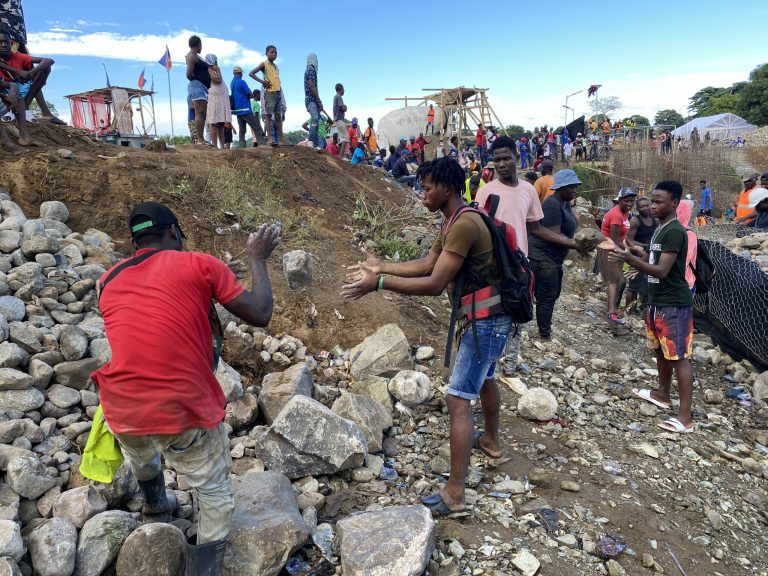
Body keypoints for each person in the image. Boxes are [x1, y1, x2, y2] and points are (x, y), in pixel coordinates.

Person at [93, 202, 281, 572]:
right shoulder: (199, 263)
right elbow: (260, 313)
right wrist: (257, 259)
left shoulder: (107, 280)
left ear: (136, 243)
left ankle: (156, 507)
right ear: (173, 233)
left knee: (141, 448)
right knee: (213, 492)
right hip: (181, 408)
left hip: (119, 406)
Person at [341, 157, 510, 517]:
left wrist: (380, 283)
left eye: (427, 187)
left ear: (447, 188)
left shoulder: (464, 224)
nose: (422, 194)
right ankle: (492, 441)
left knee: (458, 402)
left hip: (486, 322)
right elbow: (427, 263)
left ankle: (454, 495)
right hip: (487, 318)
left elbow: (433, 285)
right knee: (486, 379)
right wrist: (381, 265)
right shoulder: (453, 220)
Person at [474, 136, 576, 378]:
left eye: (506, 158)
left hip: (520, 264)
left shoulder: (528, 190)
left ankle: (509, 371)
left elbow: (537, 229)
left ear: (516, 158)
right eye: (496, 160)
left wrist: (573, 244)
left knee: (517, 315)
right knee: (490, 317)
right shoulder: (486, 192)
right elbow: (477, 229)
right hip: (492, 266)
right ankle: (487, 369)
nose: (501, 164)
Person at [609, 181, 696, 433]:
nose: (652, 206)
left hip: (674, 303)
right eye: (652, 201)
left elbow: (662, 269)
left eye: (659, 202)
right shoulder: (660, 229)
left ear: (674, 204)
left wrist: (628, 258)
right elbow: (653, 259)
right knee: (660, 350)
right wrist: (638, 257)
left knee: (679, 357)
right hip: (657, 301)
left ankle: (685, 416)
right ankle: (662, 394)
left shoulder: (674, 231)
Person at [527, 169, 584, 339]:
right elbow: (554, 235)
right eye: (571, 187)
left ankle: (544, 329)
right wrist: (576, 245)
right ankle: (544, 334)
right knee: (546, 296)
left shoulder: (565, 203)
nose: (574, 191)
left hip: (554, 257)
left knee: (552, 294)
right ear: (560, 188)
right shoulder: (552, 204)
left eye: (575, 187)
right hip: (542, 256)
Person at [599, 188, 637, 323]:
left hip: (617, 249)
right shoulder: (616, 214)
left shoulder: (625, 213)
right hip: (609, 248)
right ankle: (610, 312)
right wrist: (631, 251)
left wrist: (633, 247)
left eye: (632, 201)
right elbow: (615, 239)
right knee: (615, 280)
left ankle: (613, 308)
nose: (629, 203)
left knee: (618, 279)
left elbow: (623, 236)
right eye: (626, 200)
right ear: (619, 200)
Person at [624, 197, 658, 313]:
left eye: (647, 205)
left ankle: (643, 311)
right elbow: (629, 239)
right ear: (637, 209)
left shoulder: (655, 220)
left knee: (647, 285)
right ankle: (628, 310)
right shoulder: (635, 220)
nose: (645, 208)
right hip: (638, 256)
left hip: (651, 256)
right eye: (641, 206)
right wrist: (644, 246)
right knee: (633, 286)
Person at [249, 45, 284, 145]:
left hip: (277, 93)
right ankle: (269, 139)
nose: (274, 54)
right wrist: (262, 82)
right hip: (269, 93)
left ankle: (281, 140)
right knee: (268, 115)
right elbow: (251, 73)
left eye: (276, 53)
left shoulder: (276, 67)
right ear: (266, 53)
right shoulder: (264, 64)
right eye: (272, 52)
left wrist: (280, 91)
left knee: (278, 116)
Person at [230, 66, 264, 147]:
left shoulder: (232, 83)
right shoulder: (242, 82)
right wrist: (252, 95)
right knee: (256, 127)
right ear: (240, 73)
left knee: (242, 130)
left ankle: (242, 147)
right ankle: (262, 145)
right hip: (245, 109)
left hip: (237, 110)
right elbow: (250, 94)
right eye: (241, 73)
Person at [186, 35, 210, 146]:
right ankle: (200, 140)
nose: (202, 47)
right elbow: (189, 74)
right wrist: (197, 79)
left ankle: (201, 139)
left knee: (203, 113)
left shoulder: (195, 56)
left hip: (201, 87)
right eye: (201, 45)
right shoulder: (191, 56)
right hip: (197, 86)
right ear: (198, 44)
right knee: (200, 113)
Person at [303, 53, 330, 149]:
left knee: (317, 121)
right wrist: (319, 101)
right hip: (311, 99)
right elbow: (312, 86)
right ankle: (311, 141)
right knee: (315, 118)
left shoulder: (307, 70)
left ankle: (315, 144)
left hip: (312, 99)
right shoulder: (311, 70)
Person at [203, 55, 230, 149]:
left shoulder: (212, 69)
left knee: (221, 123)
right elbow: (217, 80)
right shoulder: (209, 69)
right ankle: (215, 146)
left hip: (219, 98)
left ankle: (222, 146)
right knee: (214, 123)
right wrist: (218, 70)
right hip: (215, 99)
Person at [332, 83, 350, 159]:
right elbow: (343, 108)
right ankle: (341, 156)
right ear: (340, 89)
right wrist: (345, 107)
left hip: (336, 120)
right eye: (343, 89)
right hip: (339, 119)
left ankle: (340, 155)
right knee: (346, 137)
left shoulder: (335, 97)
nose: (344, 91)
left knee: (341, 138)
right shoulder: (338, 97)